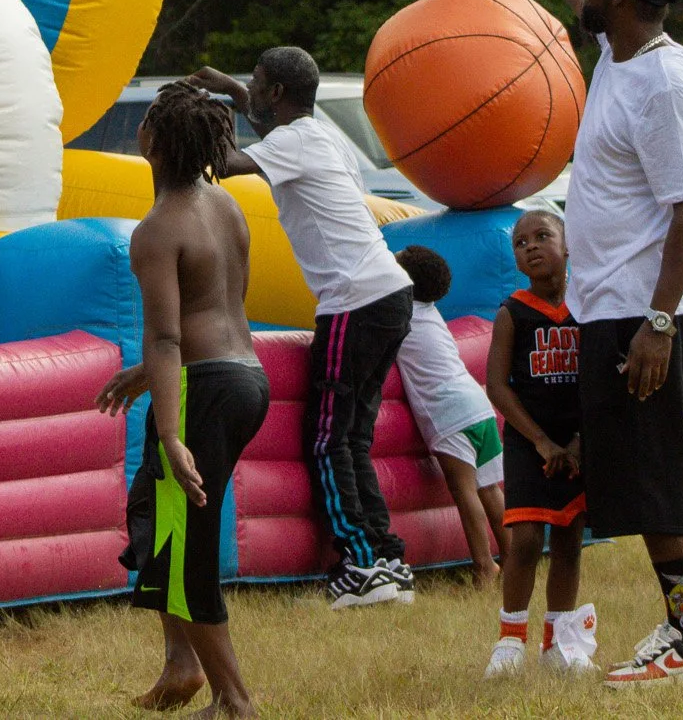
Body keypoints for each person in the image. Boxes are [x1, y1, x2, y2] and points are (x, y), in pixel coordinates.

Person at [560, 0, 683, 687]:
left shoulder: (664, 81)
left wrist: (659, 322)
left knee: (656, 475)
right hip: (609, 305)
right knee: (633, 475)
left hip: (641, 311)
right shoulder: (615, 50)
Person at [190, 49, 417, 610]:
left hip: (353, 300)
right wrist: (233, 89)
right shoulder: (321, 134)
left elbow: (226, 163)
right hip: (388, 291)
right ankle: (387, 557)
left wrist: (204, 111)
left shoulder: (289, 144)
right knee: (355, 436)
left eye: (256, 83)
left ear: (276, 93)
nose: (250, 91)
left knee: (326, 438)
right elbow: (267, 121)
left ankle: (360, 562)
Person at [97, 81, 269, 718]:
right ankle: (179, 662)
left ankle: (233, 701)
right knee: (154, 513)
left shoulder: (155, 229)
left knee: (183, 545)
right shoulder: (227, 207)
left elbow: (170, 333)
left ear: (151, 143)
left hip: (202, 393)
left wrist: (170, 435)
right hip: (245, 380)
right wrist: (152, 372)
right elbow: (216, 311)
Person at [484, 208, 595, 678]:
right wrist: (543, 442)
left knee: (569, 539)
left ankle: (560, 643)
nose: (530, 246)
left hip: (578, 444)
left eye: (542, 236)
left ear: (569, 246)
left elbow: (600, 382)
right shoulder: (513, 313)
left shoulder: (590, 308)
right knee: (525, 538)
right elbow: (497, 386)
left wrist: (576, 443)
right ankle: (511, 640)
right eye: (520, 242)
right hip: (530, 443)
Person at [391, 245, 505, 588]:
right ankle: (513, 558)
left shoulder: (401, 315)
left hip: (449, 411)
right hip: (477, 404)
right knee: (490, 490)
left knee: (465, 492)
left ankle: (485, 566)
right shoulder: (429, 311)